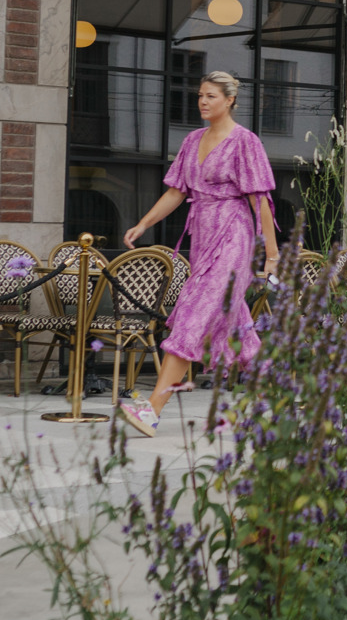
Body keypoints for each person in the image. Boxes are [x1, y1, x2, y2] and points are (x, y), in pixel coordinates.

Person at [117, 71, 277, 438]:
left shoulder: (245, 142)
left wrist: (272, 254)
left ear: (230, 100)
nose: (203, 101)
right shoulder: (192, 140)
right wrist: (143, 224)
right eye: (201, 95)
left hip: (234, 235)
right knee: (236, 326)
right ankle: (277, 399)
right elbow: (176, 192)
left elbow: (260, 201)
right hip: (202, 236)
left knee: (192, 316)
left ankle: (152, 409)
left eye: (211, 96)